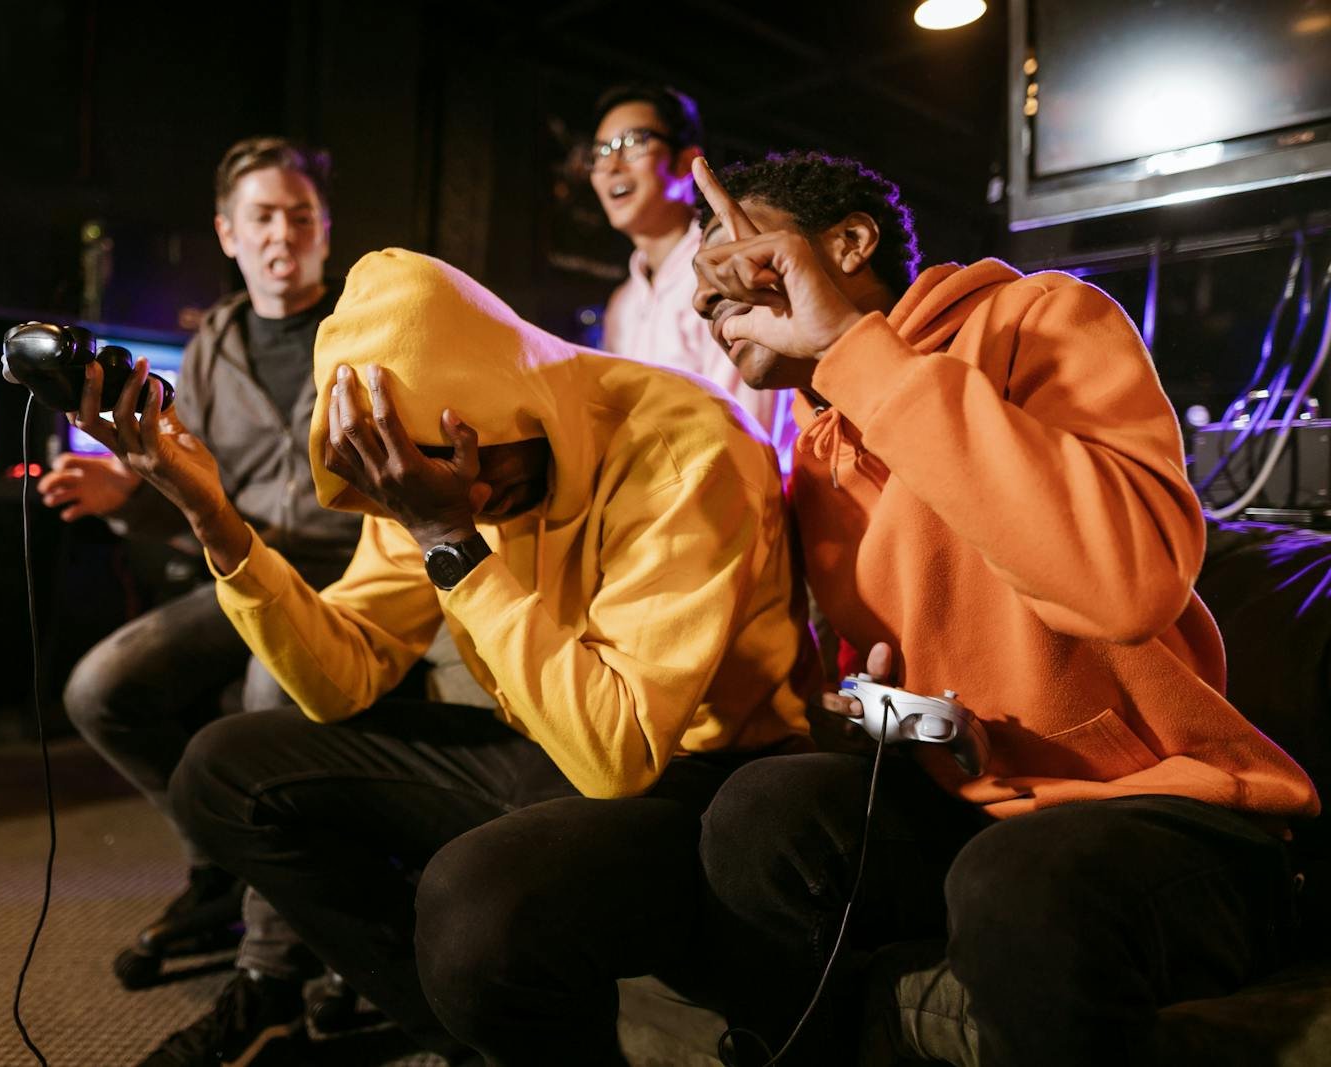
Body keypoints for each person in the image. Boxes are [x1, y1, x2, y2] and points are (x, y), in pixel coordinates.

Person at [66, 245, 820, 1065]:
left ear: (510, 400)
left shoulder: (683, 445)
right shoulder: (424, 462)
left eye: (473, 472)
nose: (475, 496)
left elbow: (620, 753)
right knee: (222, 769)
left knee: (473, 908)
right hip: (547, 741)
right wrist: (214, 516)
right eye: (423, 485)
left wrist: (448, 535)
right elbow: (341, 678)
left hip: (697, 775)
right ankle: (462, 1040)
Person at [686, 149, 1321, 1065]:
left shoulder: (1040, 316)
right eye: (703, 298)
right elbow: (881, 672)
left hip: (1168, 806)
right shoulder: (816, 443)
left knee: (1019, 883)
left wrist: (856, 351)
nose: (713, 308)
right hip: (980, 799)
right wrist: (896, 719)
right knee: (760, 814)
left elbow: (1125, 583)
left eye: (735, 271)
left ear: (849, 244)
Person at [37, 136, 364, 1066]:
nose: (283, 234)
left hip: (350, 575)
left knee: (267, 700)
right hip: (244, 561)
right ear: (228, 232)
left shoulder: (372, 320)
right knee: (102, 687)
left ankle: (272, 963)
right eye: (262, 216)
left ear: (325, 228)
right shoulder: (210, 342)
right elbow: (185, 471)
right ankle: (221, 864)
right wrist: (121, 488)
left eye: (301, 215)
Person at [588, 84, 790, 447]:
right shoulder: (623, 304)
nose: (611, 166)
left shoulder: (729, 269)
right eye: (601, 152)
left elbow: (748, 435)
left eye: (632, 143)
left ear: (686, 162)